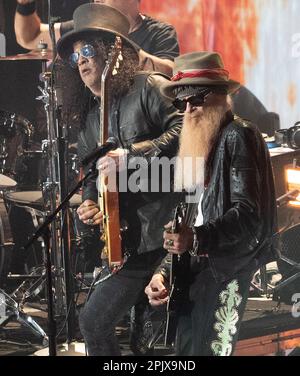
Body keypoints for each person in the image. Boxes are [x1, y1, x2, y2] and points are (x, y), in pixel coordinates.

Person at [56, 3, 182, 356]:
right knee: (101, 325)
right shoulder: (90, 120)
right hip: (126, 242)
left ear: (114, 52)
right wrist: (90, 204)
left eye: (88, 50)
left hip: (166, 236)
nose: (80, 60)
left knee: (120, 330)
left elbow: (188, 129)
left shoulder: (148, 87)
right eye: (74, 56)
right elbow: (89, 177)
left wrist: (134, 154)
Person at [145, 51, 278, 356]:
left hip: (229, 269)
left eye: (197, 99)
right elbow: (191, 219)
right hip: (198, 268)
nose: (188, 109)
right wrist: (163, 271)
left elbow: (248, 215)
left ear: (220, 96)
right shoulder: (201, 142)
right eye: (181, 102)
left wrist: (197, 237)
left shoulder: (238, 134)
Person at [14, 0, 179, 76]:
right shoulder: (86, 27)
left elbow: (171, 72)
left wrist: (123, 44)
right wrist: (25, 5)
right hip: (93, 124)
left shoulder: (160, 32)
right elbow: (30, 38)